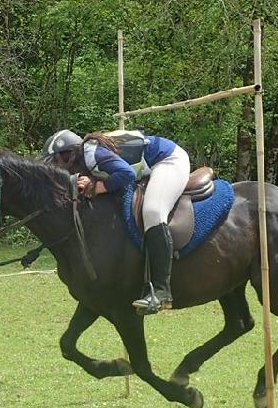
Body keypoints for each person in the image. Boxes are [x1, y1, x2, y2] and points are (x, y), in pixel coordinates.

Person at [42, 129, 191, 314]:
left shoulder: (92, 154)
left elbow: (126, 174)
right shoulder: (83, 159)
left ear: (68, 155)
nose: (57, 167)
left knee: (153, 211)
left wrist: (97, 186)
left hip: (168, 160)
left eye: (56, 161)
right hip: (150, 166)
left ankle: (161, 292)